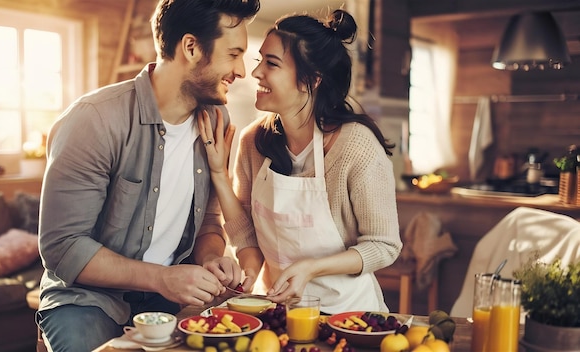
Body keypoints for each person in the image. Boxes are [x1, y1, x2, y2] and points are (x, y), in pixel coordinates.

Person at [36, 0, 260, 350]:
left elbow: (209, 225)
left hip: (169, 302)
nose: (242, 70)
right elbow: (62, 248)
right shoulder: (94, 120)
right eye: (233, 54)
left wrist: (212, 259)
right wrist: (161, 278)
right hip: (87, 302)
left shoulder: (217, 121)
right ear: (191, 47)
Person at [198, 9, 402, 314]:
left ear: (310, 80)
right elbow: (246, 232)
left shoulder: (356, 146)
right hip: (277, 312)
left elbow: (384, 246)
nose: (256, 73)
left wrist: (312, 268)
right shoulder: (254, 141)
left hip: (349, 316)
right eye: (260, 61)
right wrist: (251, 274)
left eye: (272, 63)